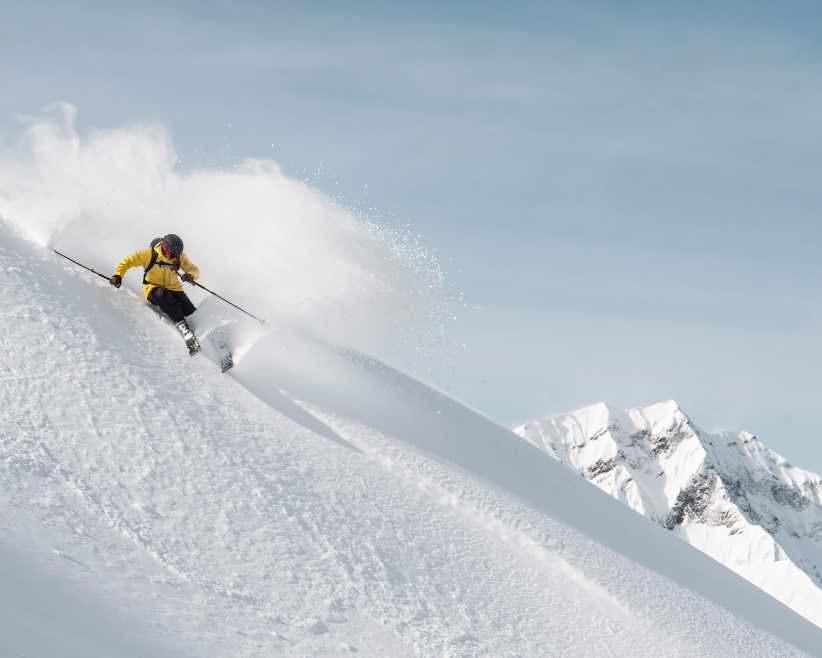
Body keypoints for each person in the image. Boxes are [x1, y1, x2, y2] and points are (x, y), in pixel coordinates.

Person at [110, 234, 201, 353]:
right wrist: (118, 275)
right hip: (153, 289)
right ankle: (183, 326)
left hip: (174, 288)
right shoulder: (148, 254)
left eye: (177, 254)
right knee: (162, 295)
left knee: (190, 311)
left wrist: (190, 275)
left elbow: (194, 270)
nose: (175, 257)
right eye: (172, 254)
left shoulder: (179, 256)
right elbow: (127, 261)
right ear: (165, 247)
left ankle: (212, 341)